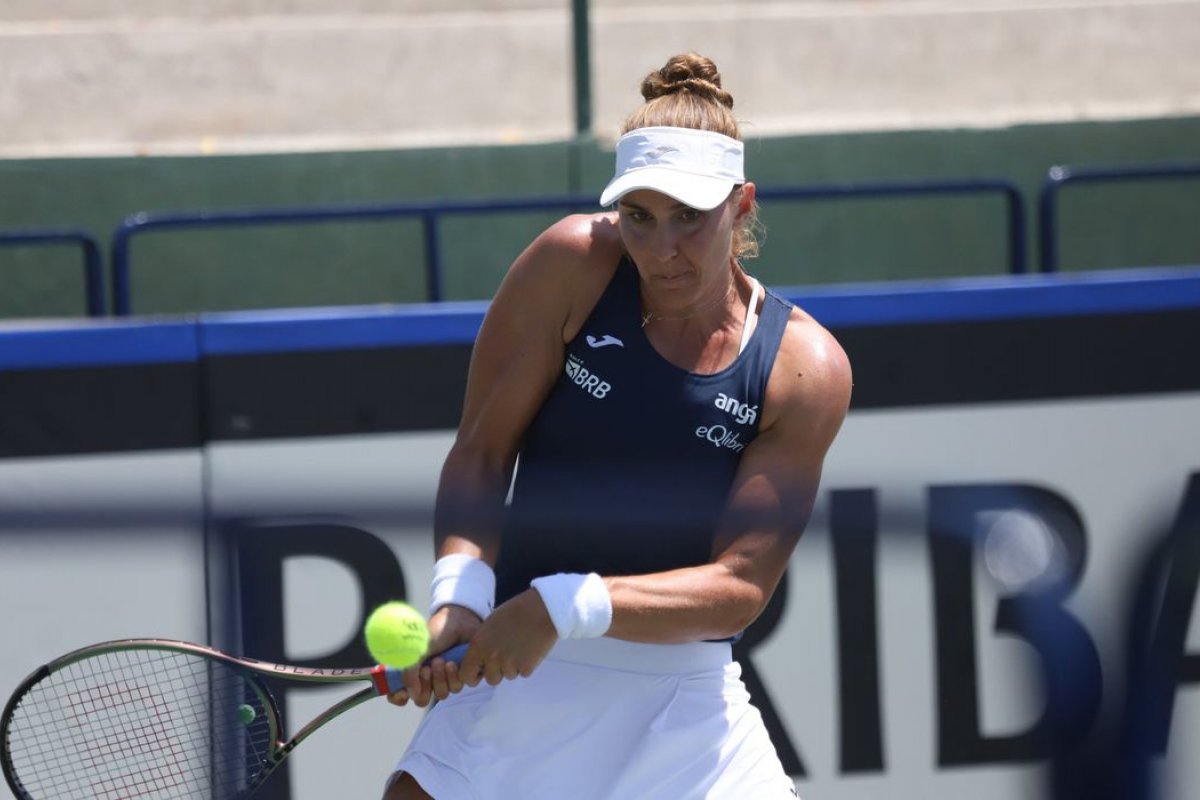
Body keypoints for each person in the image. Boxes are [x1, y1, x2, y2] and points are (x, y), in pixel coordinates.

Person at [382, 52, 852, 800]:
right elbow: (481, 450)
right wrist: (461, 595)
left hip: (685, 708)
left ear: (742, 205)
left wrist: (564, 605)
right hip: (519, 665)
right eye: (639, 216)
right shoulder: (573, 263)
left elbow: (740, 586)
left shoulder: (804, 367)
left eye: (689, 219)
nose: (661, 250)